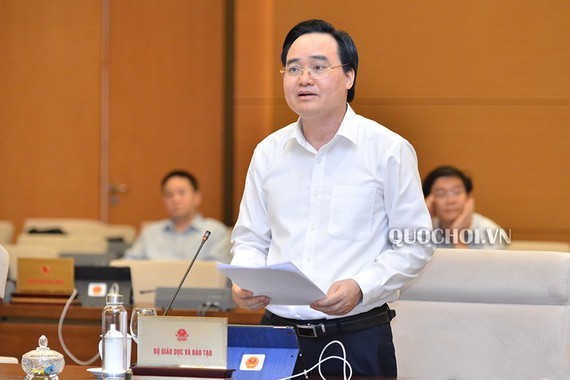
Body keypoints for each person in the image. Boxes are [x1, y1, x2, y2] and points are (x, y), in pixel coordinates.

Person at [229, 19, 434, 377]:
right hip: (275, 336)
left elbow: (415, 245)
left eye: (319, 67)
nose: (304, 78)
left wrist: (360, 286)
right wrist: (245, 280)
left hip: (356, 338)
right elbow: (250, 238)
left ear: (349, 77)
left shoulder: (388, 150)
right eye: (293, 68)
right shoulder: (268, 152)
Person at [124, 170, 231, 263]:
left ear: (197, 197)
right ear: (163, 201)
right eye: (169, 194)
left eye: (182, 192)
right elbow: (127, 264)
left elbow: (220, 275)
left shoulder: (215, 231)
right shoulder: (150, 233)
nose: (175, 199)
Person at [423, 165, 507, 249]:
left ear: (468, 198)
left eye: (457, 192)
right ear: (430, 201)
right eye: (441, 194)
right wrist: (425, 221)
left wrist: (458, 237)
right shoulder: (426, 230)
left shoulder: (491, 233)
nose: (450, 201)